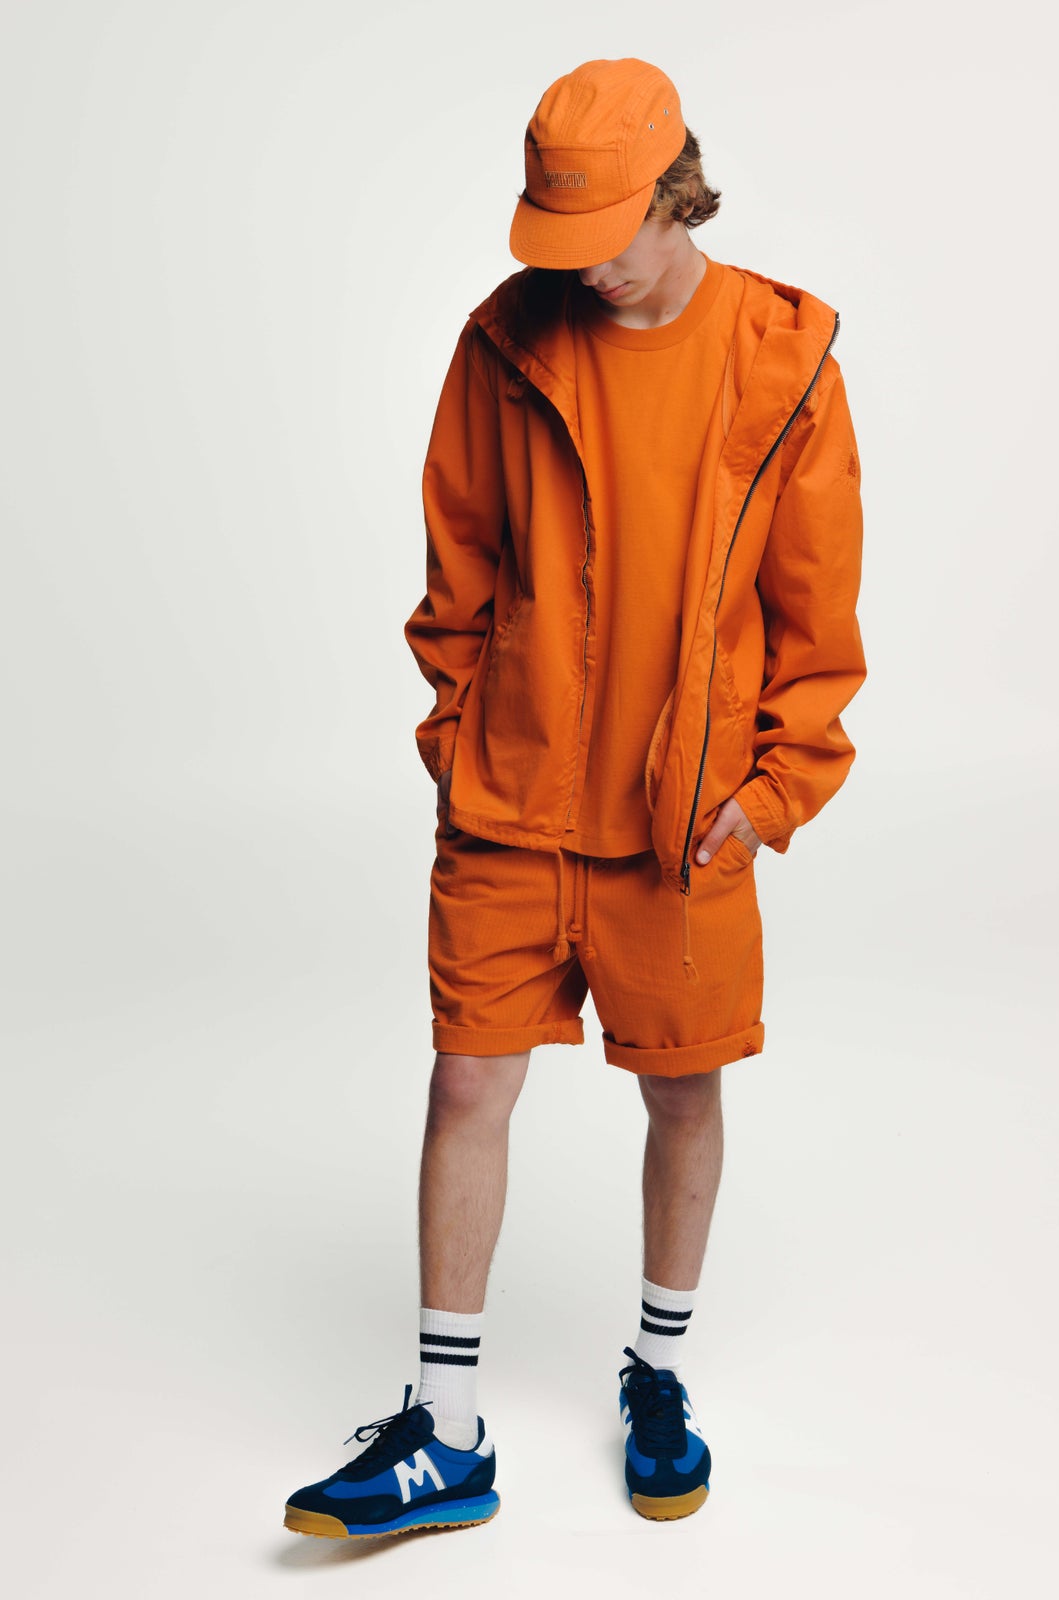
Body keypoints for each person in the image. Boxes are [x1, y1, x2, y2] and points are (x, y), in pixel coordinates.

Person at [283, 56, 866, 1540]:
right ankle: (446, 1432)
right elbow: (457, 562)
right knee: (465, 1081)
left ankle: (658, 1374)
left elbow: (818, 615)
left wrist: (774, 789)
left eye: (607, 232)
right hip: (512, 804)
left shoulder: (784, 361)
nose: (584, 266)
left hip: (685, 825)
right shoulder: (504, 341)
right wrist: (458, 733)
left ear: (679, 196)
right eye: (560, 235)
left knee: (684, 1092)